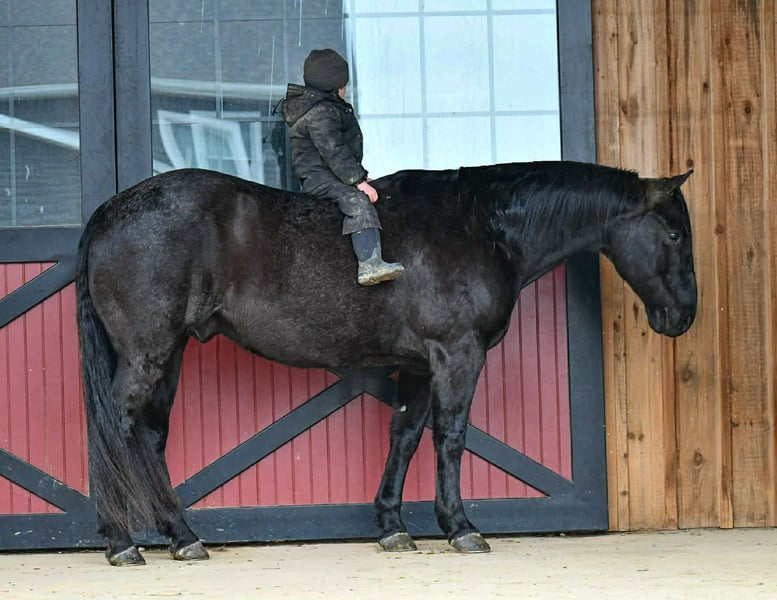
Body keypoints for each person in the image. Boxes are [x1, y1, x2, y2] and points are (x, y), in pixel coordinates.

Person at [280, 48, 404, 286]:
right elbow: (334, 151)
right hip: (319, 178)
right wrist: (357, 181)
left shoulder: (325, 108)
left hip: (331, 174)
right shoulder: (320, 113)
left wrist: (360, 177)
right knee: (357, 202)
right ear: (336, 85)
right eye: (344, 83)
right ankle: (370, 263)